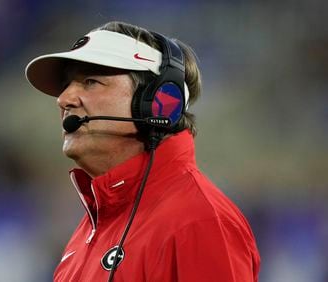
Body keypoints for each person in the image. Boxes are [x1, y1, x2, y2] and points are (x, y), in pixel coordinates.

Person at [25, 21, 260, 282]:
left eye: (91, 81)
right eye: (67, 85)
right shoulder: (91, 230)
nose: (63, 99)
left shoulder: (199, 222)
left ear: (156, 103)